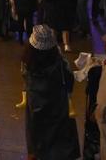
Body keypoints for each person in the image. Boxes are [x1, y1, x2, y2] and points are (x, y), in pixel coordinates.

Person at [21, 24, 79, 160]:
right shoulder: (60, 64)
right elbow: (70, 81)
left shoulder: (29, 67)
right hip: (59, 114)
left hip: (37, 118)